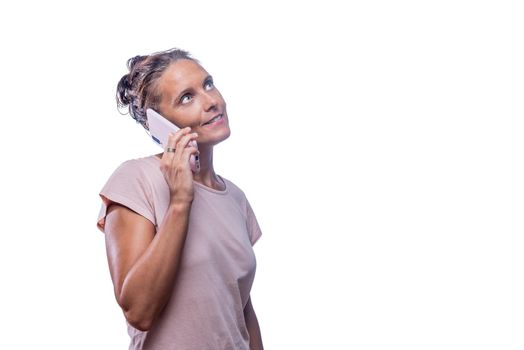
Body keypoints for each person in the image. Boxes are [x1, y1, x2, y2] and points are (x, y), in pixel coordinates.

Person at [96, 48, 264, 350]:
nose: (212, 101)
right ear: (157, 124)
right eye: (187, 97)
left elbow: (242, 310)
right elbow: (139, 311)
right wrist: (179, 202)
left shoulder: (237, 199)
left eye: (208, 84)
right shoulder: (136, 180)